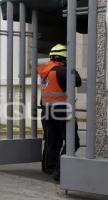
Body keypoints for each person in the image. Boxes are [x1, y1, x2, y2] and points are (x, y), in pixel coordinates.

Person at [37, 44, 81, 181]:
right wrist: (71, 68)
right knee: (73, 141)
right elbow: (78, 82)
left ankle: (49, 167)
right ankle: (60, 171)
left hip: (46, 110)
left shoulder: (44, 71)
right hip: (61, 111)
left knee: (52, 141)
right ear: (64, 58)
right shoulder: (62, 71)